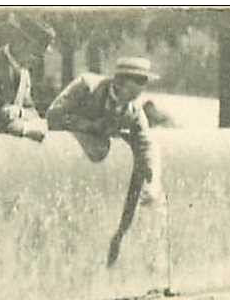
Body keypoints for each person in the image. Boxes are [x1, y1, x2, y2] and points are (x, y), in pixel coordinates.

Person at [47, 56, 164, 204]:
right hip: (62, 153)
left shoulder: (133, 108)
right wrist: (88, 126)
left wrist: (153, 183)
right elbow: (53, 115)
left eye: (137, 94)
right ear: (118, 82)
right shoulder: (87, 86)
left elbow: (147, 144)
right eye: (130, 93)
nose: (132, 100)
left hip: (90, 165)